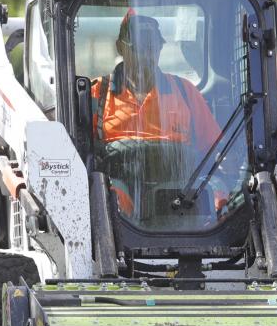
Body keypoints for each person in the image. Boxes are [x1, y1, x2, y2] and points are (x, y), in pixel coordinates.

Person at [89, 12, 222, 215]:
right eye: (139, 48)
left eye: (152, 47)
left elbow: (216, 152)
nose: (146, 56)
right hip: (116, 204)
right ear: (121, 47)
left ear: (160, 48)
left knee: (218, 201)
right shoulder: (96, 94)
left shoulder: (185, 93)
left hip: (179, 201)